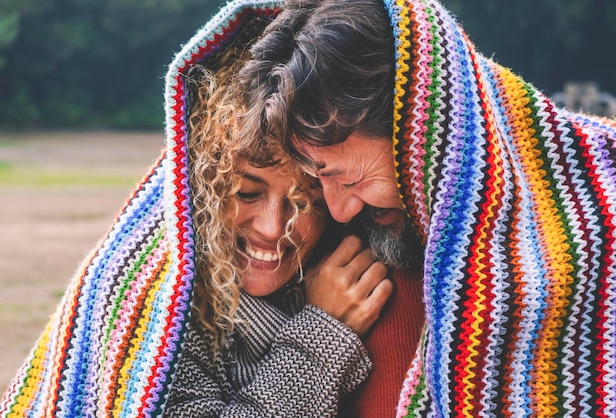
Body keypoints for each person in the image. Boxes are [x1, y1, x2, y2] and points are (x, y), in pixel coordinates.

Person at [0, 3, 393, 417]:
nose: (273, 226)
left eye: (304, 202)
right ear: (203, 182)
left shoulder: (337, 268)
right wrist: (321, 334)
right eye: (246, 193)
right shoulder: (148, 303)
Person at [239, 0, 616, 417]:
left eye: (351, 179)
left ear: (426, 139)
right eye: (319, 181)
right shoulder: (345, 259)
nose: (339, 210)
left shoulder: (608, 211)